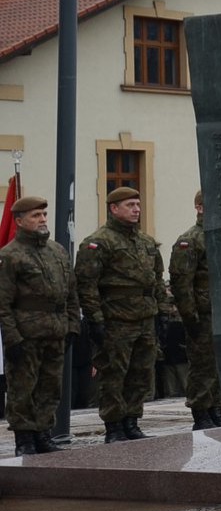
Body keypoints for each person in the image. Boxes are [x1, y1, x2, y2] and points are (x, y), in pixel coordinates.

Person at [75, 187, 177, 443]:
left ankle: (132, 421)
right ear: (114, 208)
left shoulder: (146, 242)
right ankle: (114, 426)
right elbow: (87, 286)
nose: (136, 210)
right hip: (115, 320)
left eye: (138, 205)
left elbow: (156, 282)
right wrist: (95, 320)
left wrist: (162, 313)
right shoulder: (98, 242)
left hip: (144, 319)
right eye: (130, 205)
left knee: (141, 373)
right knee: (114, 375)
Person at [0, 196, 79, 455]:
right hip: (26, 334)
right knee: (23, 388)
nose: (43, 219)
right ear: (20, 221)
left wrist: (72, 326)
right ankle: (24, 438)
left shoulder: (56, 251)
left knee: (50, 386)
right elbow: (3, 302)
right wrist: (12, 338)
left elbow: (71, 293)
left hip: (55, 331)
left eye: (44, 214)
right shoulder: (10, 256)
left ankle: (44, 433)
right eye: (35, 216)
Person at [169, 189, 221, 430]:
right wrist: (190, 316)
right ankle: (201, 412)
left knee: (219, 365)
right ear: (200, 207)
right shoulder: (190, 240)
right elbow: (182, 283)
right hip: (202, 315)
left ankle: (215, 408)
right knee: (202, 367)